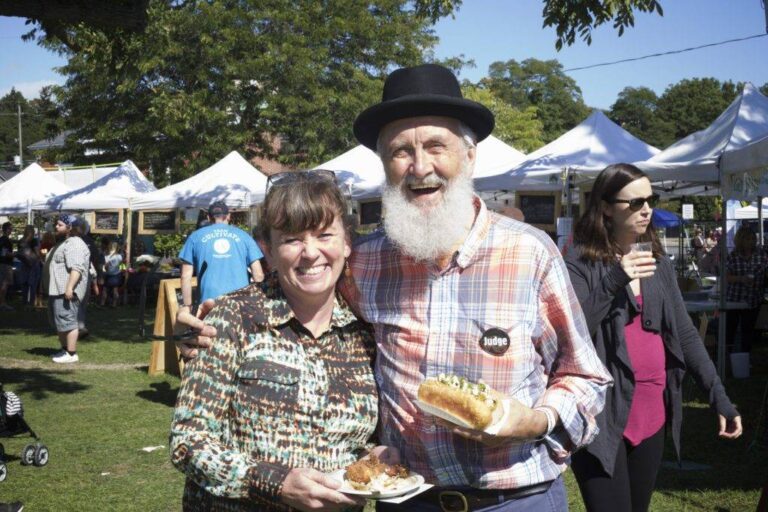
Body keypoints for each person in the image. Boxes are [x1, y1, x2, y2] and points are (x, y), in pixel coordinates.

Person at [177, 64, 612, 511]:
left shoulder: (530, 254)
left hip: (515, 498)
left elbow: (585, 375)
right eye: (401, 151)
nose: (420, 167)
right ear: (384, 164)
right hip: (407, 499)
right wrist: (204, 325)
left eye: (435, 146)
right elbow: (296, 280)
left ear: (469, 155)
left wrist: (535, 420)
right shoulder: (365, 261)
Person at [170, 173, 383, 511]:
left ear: (346, 243)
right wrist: (273, 483)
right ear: (267, 250)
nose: (310, 252)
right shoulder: (235, 318)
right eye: (292, 239)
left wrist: (377, 458)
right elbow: (188, 442)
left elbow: (362, 442)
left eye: (325, 235)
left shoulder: (364, 335)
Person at [564, 163, 742, 512]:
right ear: (604, 207)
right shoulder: (579, 261)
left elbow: (686, 335)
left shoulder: (657, 261)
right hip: (602, 415)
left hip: (651, 410)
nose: (645, 209)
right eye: (634, 202)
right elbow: (572, 331)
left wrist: (718, 396)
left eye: (650, 199)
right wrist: (615, 280)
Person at [177, 200, 265, 315]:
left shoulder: (195, 237)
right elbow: (258, 275)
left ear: (208, 217)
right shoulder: (244, 236)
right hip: (241, 304)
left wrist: (188, 308)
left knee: (209, 332)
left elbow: (185, 276)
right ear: (228, 216)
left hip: (208, 306)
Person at [44, 215, 91, 364]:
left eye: (60, 224)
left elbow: (76, 268)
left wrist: (69, 288)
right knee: (60, 322)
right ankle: (65, 350)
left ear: (70, 227)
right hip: (57, 290)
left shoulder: (75, 243)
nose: (56, 227)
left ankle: (71, 353)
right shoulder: (65, 242)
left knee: (68, 321)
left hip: (66, 290)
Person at [725, 225, 768, 354]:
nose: (751, 242)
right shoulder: (732, 256)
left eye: (752, 239)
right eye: (747, 239)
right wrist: (741, 279)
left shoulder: (761, 255)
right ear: (740, 240)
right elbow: (727, 277)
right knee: (730, 329)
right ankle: (727, 356)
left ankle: (744, 358)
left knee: (748, 330)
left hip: (753, 299)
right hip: (734, 299)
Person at [17, 225, 41, 309]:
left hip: (24, 265)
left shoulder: (20, 241)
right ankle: (31, 304)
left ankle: (24, 303)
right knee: (33, 285)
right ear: (33, 232)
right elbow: (37, 253)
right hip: (33, 265)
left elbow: (19, 254)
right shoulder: (34, 241)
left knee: (24, 285)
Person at [101, 241, 124, 308]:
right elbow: (122, 265)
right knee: (115, 290)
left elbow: (105, 267)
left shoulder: (107, 256)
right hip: (117, 275)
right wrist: (122, 271)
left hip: (108, 275)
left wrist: (103, 272)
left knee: (105, 290)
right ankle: (114, 304)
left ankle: (102, 303)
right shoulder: (119, 256)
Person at [0, 222, 14, 311]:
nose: (11, 230)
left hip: (3, 263)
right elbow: (5, 253)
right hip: (5, 264)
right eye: (10, 228)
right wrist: (16, 254)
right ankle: (2, 303)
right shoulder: (5, 240)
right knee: (4, 284)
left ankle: (2, 302)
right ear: (6, 229)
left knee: (3, 284)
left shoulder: (2, 239)